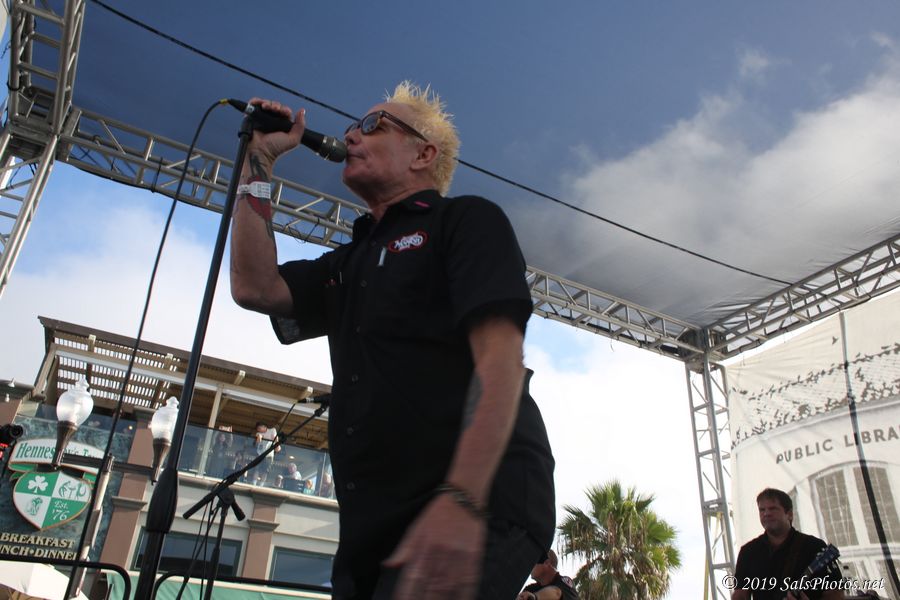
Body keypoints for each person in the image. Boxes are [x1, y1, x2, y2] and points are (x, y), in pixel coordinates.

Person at [230, 82, 556, 600]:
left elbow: (501, 365)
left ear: (423, 154)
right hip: (377, 521)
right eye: (351, 127)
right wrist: (259, 162)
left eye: (372, 125)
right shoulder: (349, 261)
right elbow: (255, 286)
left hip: (481, 497)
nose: (350, 136)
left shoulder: (466, 221)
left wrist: (462, 499)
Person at [733, 488, 844, 600]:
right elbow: (740, 594)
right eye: (762, 510)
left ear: (789, 514)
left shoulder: (814, 546)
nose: (766, 513)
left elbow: (836, 594)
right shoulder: (748, 551)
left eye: (773, 509)